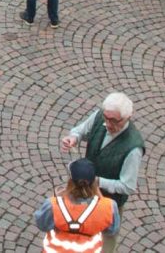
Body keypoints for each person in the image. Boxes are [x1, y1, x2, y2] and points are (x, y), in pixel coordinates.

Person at [60, 93, 143, 253]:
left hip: (108, 203)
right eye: (106, 118)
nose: (108, 124)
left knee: (104, 247)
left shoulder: (133, 148)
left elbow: (128, 186)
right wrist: (73, 138)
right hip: (84, 196)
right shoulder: (100, 116)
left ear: (128, 117)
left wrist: (97, 181)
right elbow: (80, 131)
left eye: (114, 121)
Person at [34, 158, 119, 253]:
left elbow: (42, 225)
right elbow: (111, 230)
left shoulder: (53, 204)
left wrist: (56, 196)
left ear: (70, 180)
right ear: (94, 182)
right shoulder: (109, 206)